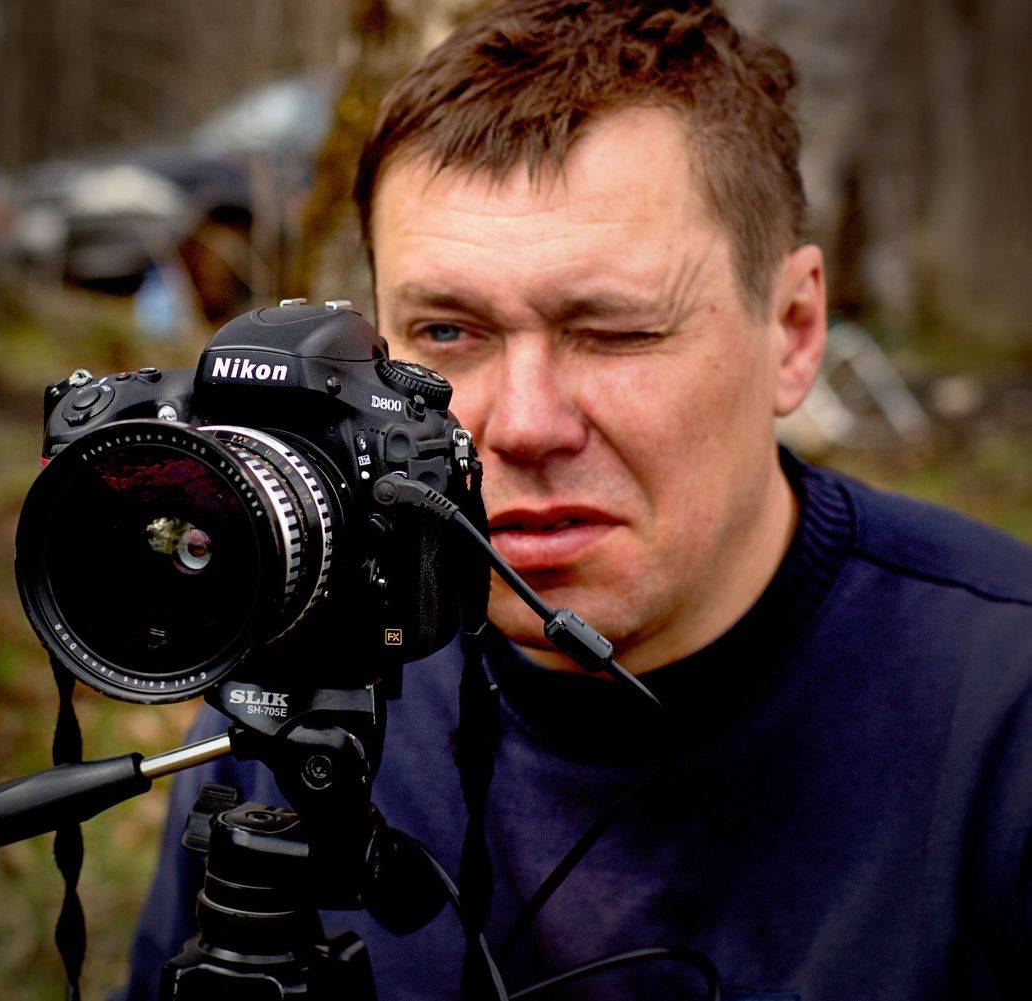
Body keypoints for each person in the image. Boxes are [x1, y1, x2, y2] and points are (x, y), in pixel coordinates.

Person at [117, 1, 1032, 997]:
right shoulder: (309, 671)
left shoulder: (998, 709)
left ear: (795, 331)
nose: (524, 424)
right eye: (448, 333)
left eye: (617, 331)